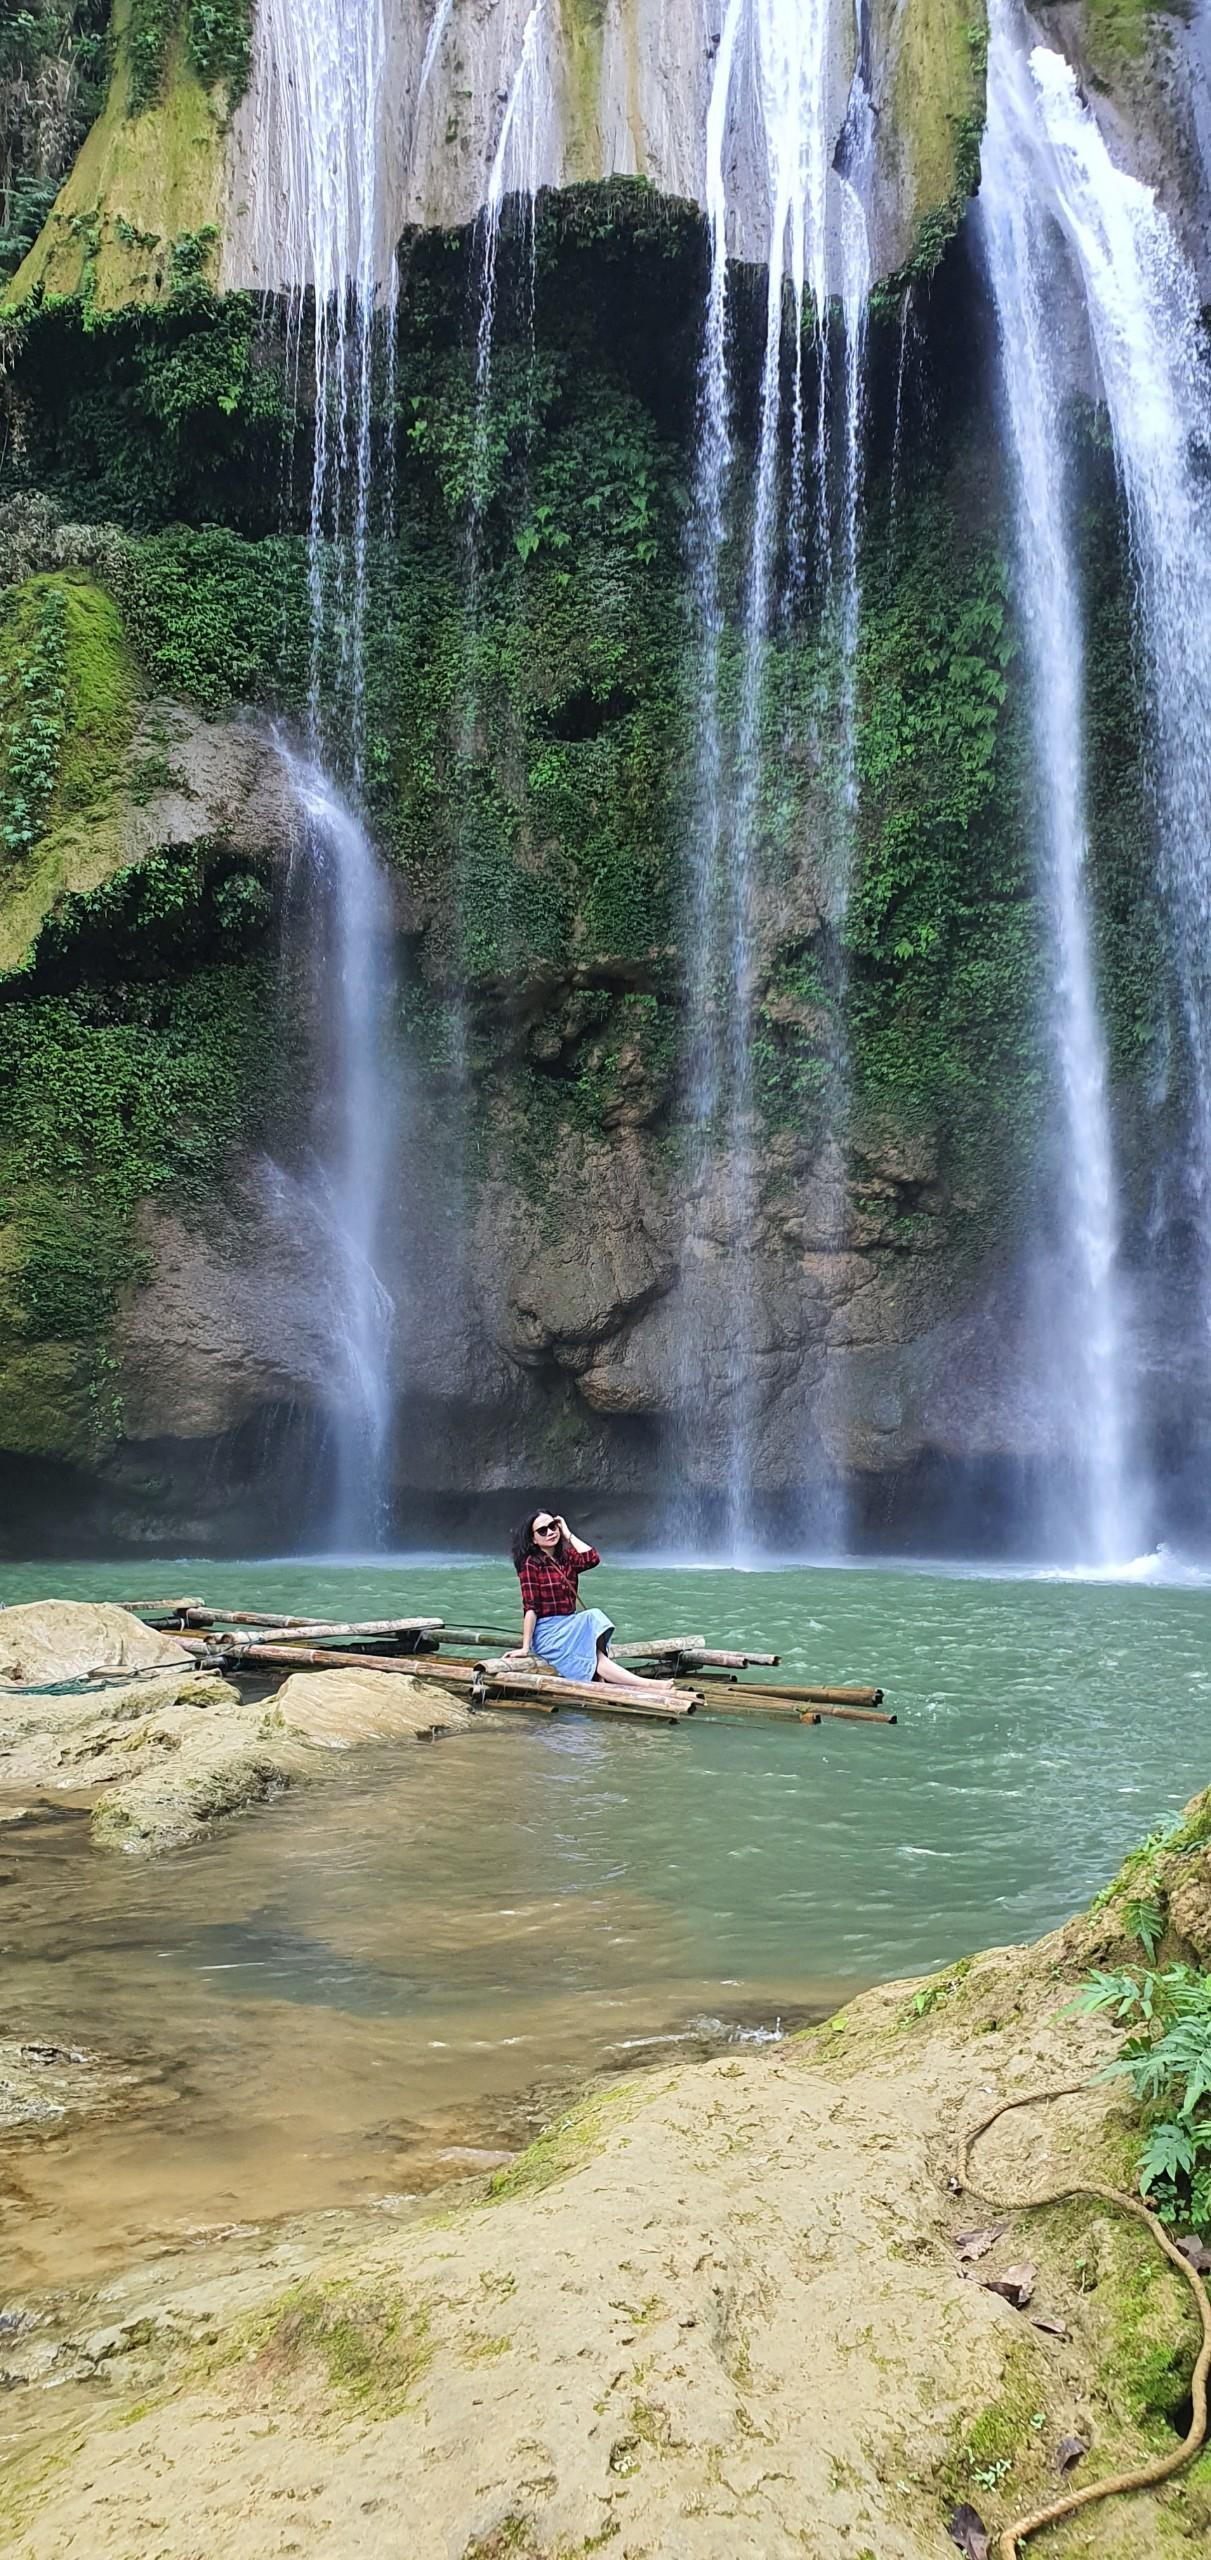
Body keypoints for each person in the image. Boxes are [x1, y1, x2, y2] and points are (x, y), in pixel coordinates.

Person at [507, 1511, 678, 1695]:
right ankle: (648, 1686)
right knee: (594, 1643)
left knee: (593, 1627)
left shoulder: (566, 1558)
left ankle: (637, 1684)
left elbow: (592, 1558)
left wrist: (567, 1533)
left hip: (571, 1625)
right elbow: (530, 1607)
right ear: (533, 1539)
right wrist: (525, 1647)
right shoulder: (530, 1564)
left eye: (552, 1526)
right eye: (542, 1530)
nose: (549, 1532)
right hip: (549, 1632)